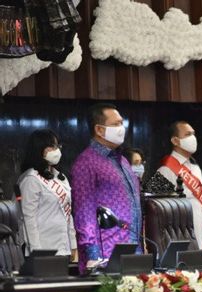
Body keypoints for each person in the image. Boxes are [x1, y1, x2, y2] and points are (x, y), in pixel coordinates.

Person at [71, 103, 141, 273]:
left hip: (133, 249)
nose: (121, 128)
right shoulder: (86, 163)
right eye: (115, 124)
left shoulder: (123, 161)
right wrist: (92, 256)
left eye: (121, 123)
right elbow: (84, 213)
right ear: (99, 130)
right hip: (106, 256)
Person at [17, 129, 77, 260]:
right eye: (51, 146)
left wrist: (73, 244)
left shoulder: (60, 177)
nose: (56, 150)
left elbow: (68, 213)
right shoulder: (30, 179)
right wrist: (36, 251)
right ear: (39, 149)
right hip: (42, 249)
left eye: (57, 146)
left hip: (63, 246)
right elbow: (28, 219)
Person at [156, 121, 202, 256]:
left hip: (200, 232)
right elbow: (156, 211)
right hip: (180, 238)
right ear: (175, 140)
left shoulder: (195, 167)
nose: (193, 138)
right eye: (188, 134)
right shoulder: (164, 169)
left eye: (193, 134)